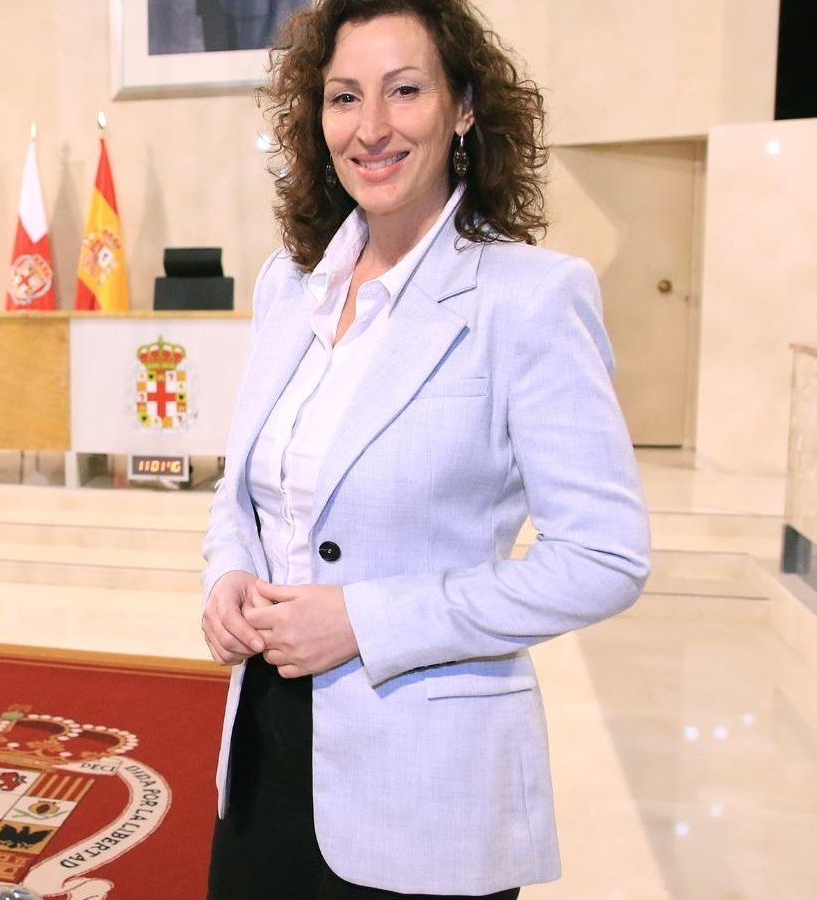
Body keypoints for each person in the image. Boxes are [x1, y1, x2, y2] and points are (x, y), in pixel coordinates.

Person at [199, 1, 651, 897]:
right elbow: (241, 488)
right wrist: (225, 573)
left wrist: (367, 619)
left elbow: (605, 557)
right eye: (343, 97)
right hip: (265, 756)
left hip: (429, 788)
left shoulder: (530, 298)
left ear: (464, 109)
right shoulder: (290, 286)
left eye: (405, 92)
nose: (371, 128)